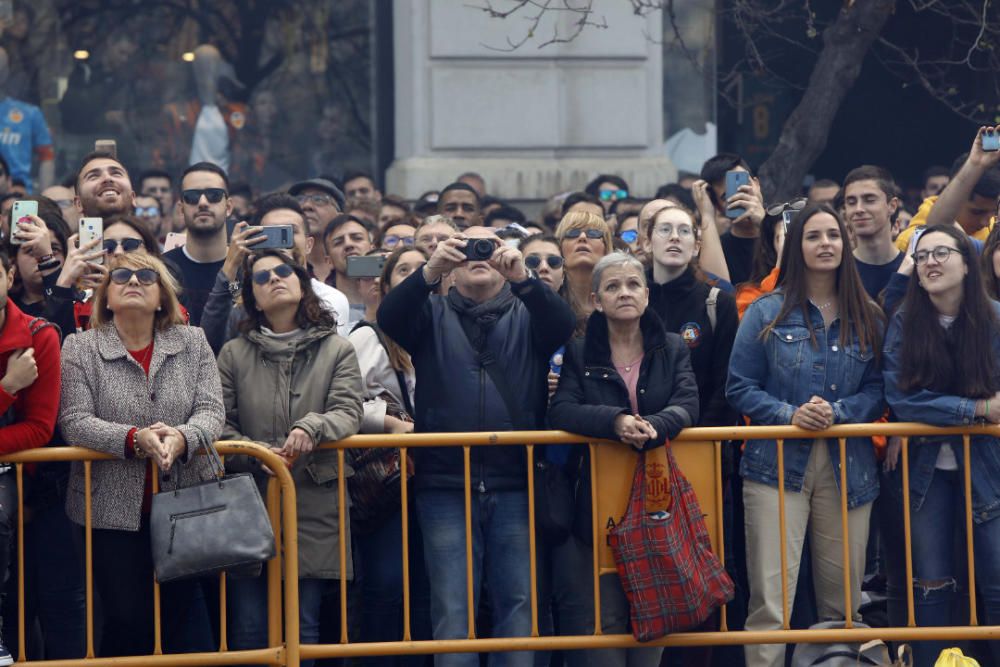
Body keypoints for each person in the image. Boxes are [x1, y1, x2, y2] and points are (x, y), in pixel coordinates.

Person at [377, 226, 575, 667]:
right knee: (452, 611)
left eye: (488, 245)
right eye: (466, 245)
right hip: (445, 484)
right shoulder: (430, 313)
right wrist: (430, 269)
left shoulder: (529, 313)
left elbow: (563, 324)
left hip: (517, 483)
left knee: (519, 610)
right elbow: (389, 317)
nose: (477, 253)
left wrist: (524, 277)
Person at [726, 203, 885, 667]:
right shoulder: (765, 311)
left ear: (846, 244)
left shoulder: (869, 314)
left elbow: (879, 389)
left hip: (848, 467)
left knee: (844, 609)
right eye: (814, 236)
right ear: (796, 246)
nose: (825, 244)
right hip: (773, 466)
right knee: (771, 604)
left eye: (833, 235)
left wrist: (838, 412)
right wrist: (789, 414)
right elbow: (739, 386)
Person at [58, 251, 224, 657]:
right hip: (109, 507)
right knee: (127, 617)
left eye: (146, 276)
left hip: (185, 500)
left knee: (183, 617)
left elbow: (212, 409)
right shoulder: (80, 347)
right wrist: (134, 438)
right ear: (106, 298)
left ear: (162, 296)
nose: (134, 281)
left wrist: (184, 437)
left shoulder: (192, 340)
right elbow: (74, 420)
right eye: (122, 277)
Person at [548, 252, 699, 667]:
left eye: (633, 285)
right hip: (596, 499)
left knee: (654, 608)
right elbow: (561, 410)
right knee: (604, 612)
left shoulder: (671, 346)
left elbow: (688, 403)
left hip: (657, 494)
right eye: (613, 287)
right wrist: (614, 421)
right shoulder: (578, 351)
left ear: (647, 295)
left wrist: (655, 425)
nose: (624, 293)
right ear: (597, 300)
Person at [218, 250, 363, 667]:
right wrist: (250, 452)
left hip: (313, 498)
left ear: (302, 284)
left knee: (304, 626)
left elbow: (348, 410)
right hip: (251, 497)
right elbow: (217, 420)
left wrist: (311, 427)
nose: (274, 280)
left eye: (283, 271)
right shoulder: (232, 352)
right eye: (261, 278)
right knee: (248, 628)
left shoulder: (337, 348)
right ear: (252, 298)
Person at [882, 224, 1000, 666]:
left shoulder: (995, 318)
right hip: (926, 468)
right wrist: (977, 410)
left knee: (997, 583)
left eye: (941, 253)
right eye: (922, 255)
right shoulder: (904, 321)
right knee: (930, 584)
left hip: (990, 465)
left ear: (968, 263)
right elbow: (902, 398)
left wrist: (942, 408)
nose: (930, 262)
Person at [347, 246, 433, 663]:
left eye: (423, 268)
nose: (417, 275)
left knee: (422, 588)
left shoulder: (441, 329)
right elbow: (344, 403)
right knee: (386, 585)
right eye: (405, 270)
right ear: (385, 283)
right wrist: (393, 423)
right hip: (389, 479)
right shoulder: (369, 335)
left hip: (435, 474)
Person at [0, 249, 62, 665]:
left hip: (16, 480)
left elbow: (39, 429)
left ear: (9, 277)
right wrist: (7, 387)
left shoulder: (39, 334)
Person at [201, 193, 352, 353]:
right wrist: (231, 265)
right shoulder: (248, 297)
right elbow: (209, 346)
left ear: (308, 245)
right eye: (273, 233)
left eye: (289, 232)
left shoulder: (331, 298)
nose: (282, 243)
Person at [895, 126, 1000, 251]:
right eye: (977, 212)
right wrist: (975, 165)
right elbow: (936, 228)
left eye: (993, 212)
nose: (986, 222)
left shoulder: (995, 229)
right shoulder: (909, 240)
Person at [163, 162, 232, 326]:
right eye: (192, 196)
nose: (202, 202)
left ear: (228, 207)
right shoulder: (162, 269)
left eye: (214, 195)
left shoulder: (246, 266)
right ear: (181, 209)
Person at [699, 153, 766, 284]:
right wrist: (706, 214)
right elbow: (716, 291)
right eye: (727, 196)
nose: (740, 198)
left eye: (744, 188)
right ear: (718, 206)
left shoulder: (783, 229)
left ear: (757, 185)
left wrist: (764, 223)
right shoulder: (716, 249)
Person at [843, 166, 904, 298]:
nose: (858, 209)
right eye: (851, 202)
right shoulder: (837, 271)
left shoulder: (913, 270)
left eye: (869, 200)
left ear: (892, 206)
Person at [0, 47, 54, 192]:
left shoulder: (30, 114)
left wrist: (44, 198)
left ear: (6, 72)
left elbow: (46, 157)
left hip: (20, 195)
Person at [555, 211, 613, 335]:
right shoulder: (547, 301)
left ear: (606, 248)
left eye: (593, 233)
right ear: (559, 248)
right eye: (572, 233)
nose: (582, 237)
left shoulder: (620, 298)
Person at [322, 214, 377, 325]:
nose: (348, 244)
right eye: (338, 242)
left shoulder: (392, 300)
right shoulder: (319, 308)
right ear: (329, 261)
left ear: (373, 249)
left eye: (357, 238)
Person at [289, 178, 346, 283]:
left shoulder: (349, 265)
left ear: (339, 217)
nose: (306, 206)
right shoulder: (284, 266)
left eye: (319, 199)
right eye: (300, 199)